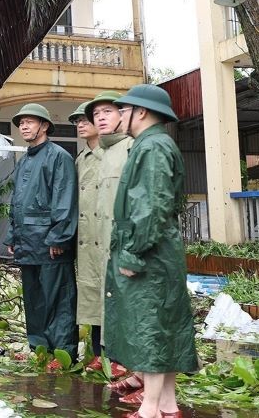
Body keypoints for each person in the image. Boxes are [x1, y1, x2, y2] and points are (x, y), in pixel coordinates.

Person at [104, 84, 197, 418]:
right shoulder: (152, 144)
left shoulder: (153, 146)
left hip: (150, 255)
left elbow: (151, 206)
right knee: (163, 326)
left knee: (151, 328)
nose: (119, 116)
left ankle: (150, 409)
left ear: (140, 112)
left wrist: (132, 253)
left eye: (123, 110)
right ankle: (168, 406)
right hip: (158, 253)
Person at [5, 103, 78, 369]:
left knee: (58, 299)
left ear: (44, 125)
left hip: (49, 243)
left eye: (30, 122)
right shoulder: (25, 160)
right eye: (21, 122)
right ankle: (39, 349)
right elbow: (18, 201)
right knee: (34, 299)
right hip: (28, 242)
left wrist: (59, 237)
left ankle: (63, 354)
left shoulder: (59, 157)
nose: (24, 126)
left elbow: (65, 198)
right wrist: (13, 236)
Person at [83, 91, 132, 379]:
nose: (100, 118)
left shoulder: (131, 147)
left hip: (123, 241)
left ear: (123, 114)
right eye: (96, 114)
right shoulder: (104, 151)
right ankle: (106, 355)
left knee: (122, 300)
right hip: (99, 241)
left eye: (107, 112)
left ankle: (125, 360)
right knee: (101, 297)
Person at [69, 101, 104, 367]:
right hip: (85, 238)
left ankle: (111, 355)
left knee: (107, 294)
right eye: (77, 121)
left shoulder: (113, 154)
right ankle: (97, 354)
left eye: (85, 120)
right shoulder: (80, 158)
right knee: (90, 294)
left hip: (105, 236)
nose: (80, 125)